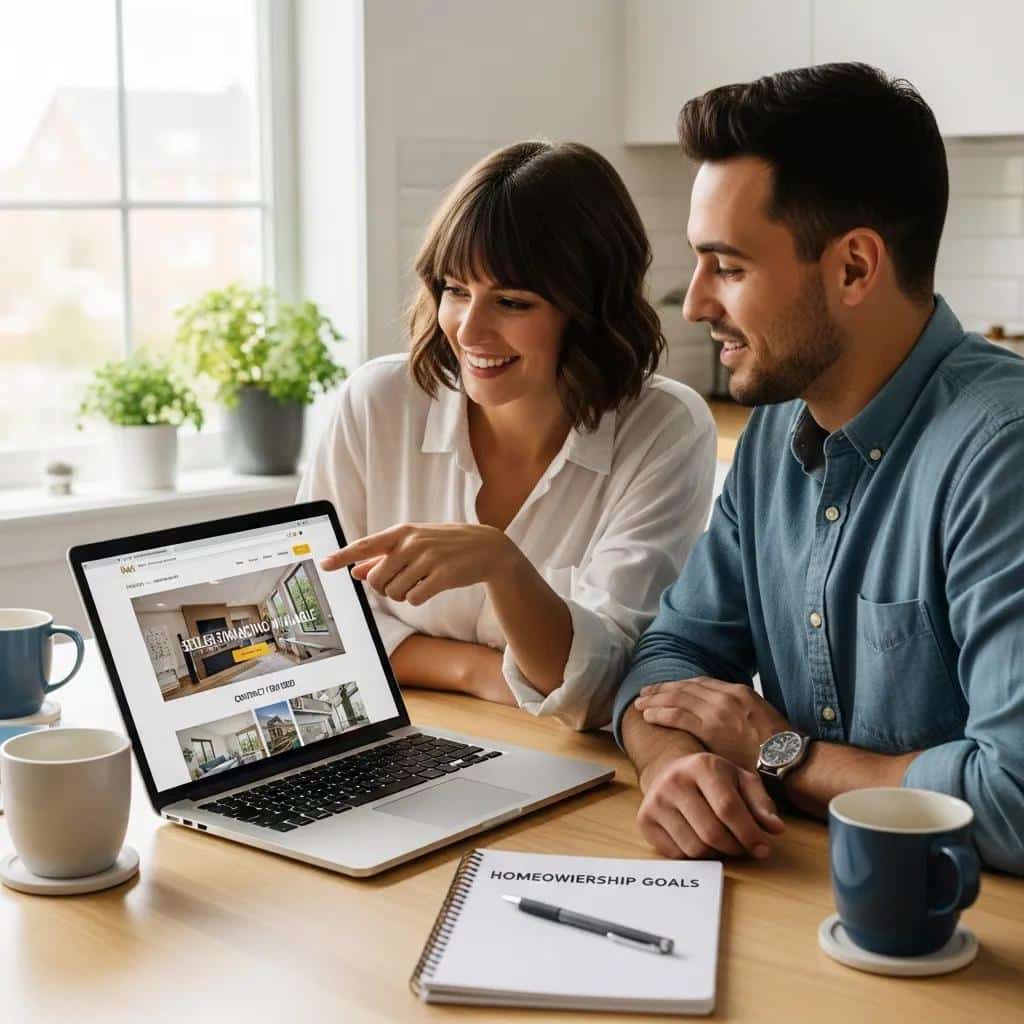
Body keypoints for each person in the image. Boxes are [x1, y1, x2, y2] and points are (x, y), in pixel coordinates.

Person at [613, 63, 1024, 874]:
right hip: (803, 893)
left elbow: (1014, 798)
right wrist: (671, 765)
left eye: (728, 266)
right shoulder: (774, 434)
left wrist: (780, 754)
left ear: (854, 268)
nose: (695, 303)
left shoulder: (1001, 451)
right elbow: (667, 659)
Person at [299, 140, 716, 730]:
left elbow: (600, 686)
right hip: (400, 733)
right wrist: (476, 670)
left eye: (512, 302)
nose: (469, 329)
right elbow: (318, 626)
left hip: (570, 763)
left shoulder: (665, 429)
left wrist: (504, 565)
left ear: (590, 309)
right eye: (455, 290)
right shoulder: (379, 402)